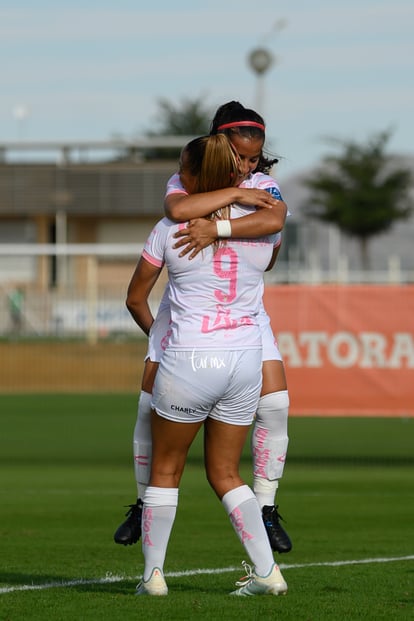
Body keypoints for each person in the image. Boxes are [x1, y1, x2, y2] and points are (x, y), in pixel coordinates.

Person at [114, 101, 292, 555]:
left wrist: (218, 230)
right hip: (187, 316)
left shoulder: (261, 183)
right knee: (147, 405)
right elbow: (179, 211)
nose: (247, 166)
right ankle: (141, 502)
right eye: (240, 156)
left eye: (254, 158)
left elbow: (273, 219)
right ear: (217, 145)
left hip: (243, 317)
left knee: (276, 403)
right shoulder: (187, 176)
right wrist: (232, 203)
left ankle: (266, 508)